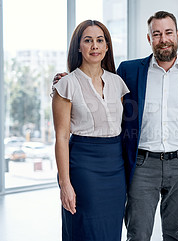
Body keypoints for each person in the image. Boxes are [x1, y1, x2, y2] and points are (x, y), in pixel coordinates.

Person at [118, 11, 178, 241]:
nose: (163, 39)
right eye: (156, 34)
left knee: (174, 234)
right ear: (149, 39)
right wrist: (67, 79)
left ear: (177, 34)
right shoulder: (128, 71)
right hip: (142, 165)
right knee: (137, 234)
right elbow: (100, 85)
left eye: (168, 32)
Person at [52, 20, 129, 241]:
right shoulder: (66, 84)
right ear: (78, 46)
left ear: (106, 47)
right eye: (88, 40)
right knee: (85, 230)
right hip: (83, 167)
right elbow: (61, 137)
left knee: (111, 232)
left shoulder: (117, 83)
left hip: (115, 168)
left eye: (99, 40)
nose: (94, 46)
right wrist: (65, 184)